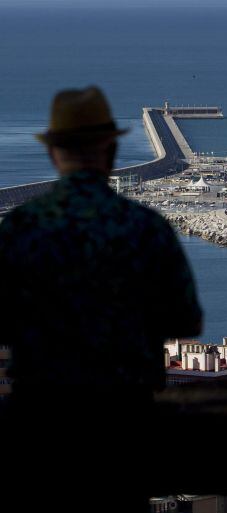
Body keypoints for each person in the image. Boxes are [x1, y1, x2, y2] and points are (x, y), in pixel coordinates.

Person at [0, 87, 202, 511]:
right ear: (110, 151)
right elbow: (186, 321)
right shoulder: (145, 228)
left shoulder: (19, 229)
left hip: (40, 423)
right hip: (123, 425)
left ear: (54, 153)